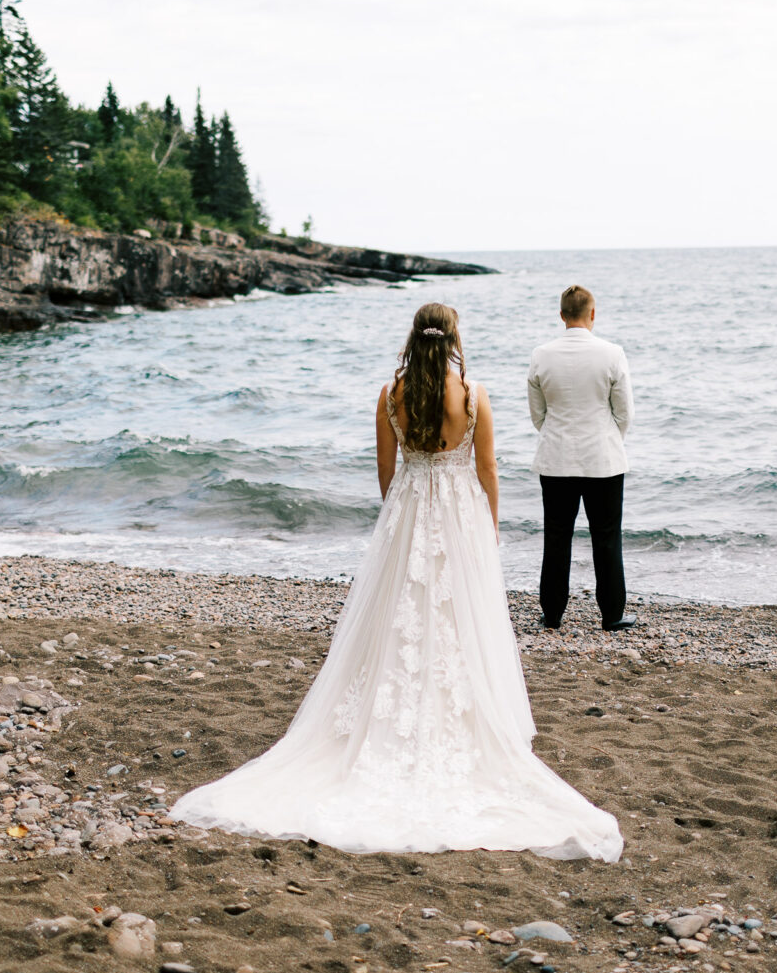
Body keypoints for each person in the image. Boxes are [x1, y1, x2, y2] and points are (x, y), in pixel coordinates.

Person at [169, 302, 622, 863]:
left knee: (398, 616)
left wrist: (401, 517)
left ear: (413, 338)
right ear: (455, 339)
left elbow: (387, 472)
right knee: (461, 617)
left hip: (409, 513)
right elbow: (486, 470)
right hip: (458, 518)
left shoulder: (390, 395)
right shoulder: (474, 394)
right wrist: (490, 521)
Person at [527, 285, 637, 632]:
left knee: (556, 537)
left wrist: (559, 434)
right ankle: (612, 614)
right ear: (592, 314)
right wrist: (607, 438)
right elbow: (625, 412)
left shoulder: (541, 355)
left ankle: (553, 613)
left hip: (556, 457)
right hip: (602, 459)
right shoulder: (612, 353)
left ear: (561, 315)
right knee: (607, 536)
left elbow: (538, 415)